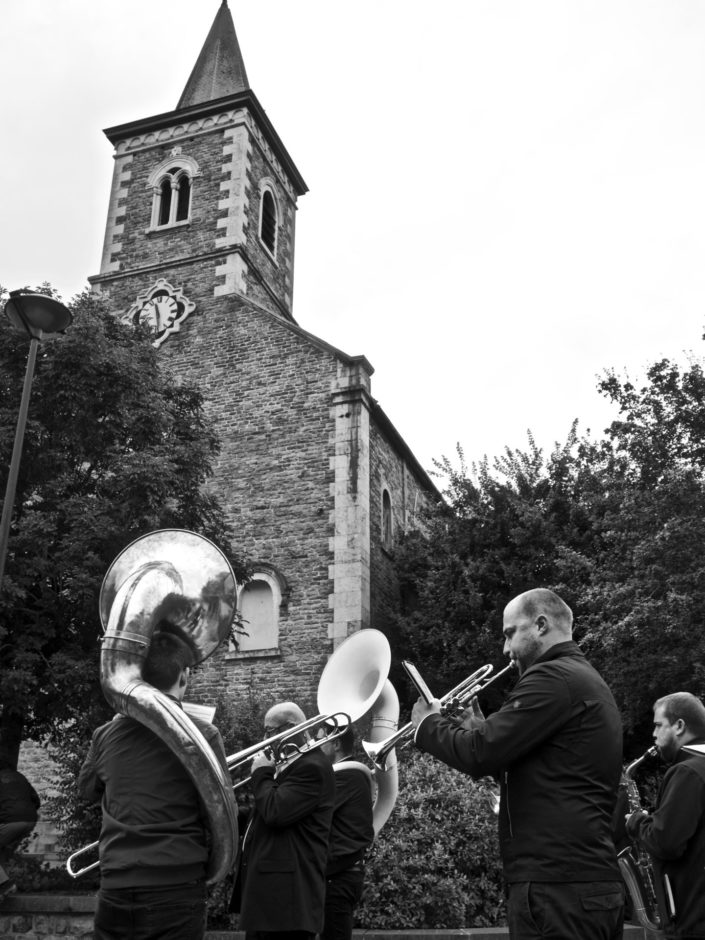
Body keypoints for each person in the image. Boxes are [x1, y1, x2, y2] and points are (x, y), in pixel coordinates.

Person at [410, 587, 625, 940]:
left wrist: (427, 725)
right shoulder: (579, 677)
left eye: (511, 633)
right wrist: (478, 728)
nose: (505, 650)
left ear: (540, 625)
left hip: (558, 889)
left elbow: (478, 754)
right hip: (577, 882)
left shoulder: (553, 677)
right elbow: (544, 770)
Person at [77, 630, 229, 940]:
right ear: (184, 676)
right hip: (175, 886)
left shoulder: (105, 734)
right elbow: (217, 814)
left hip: (116, 886)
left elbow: (87, 790)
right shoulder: (203, 735)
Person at [236, 701, 335, 939]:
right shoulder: (291, 764)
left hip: (288, 904)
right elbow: (265, 813)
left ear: (290, 728)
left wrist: (261, 773)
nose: (264, 738)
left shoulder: (312, 767)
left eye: (269, 731)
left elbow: (275, 811)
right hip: (272, 903)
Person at [625, 691, 705, 939]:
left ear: (679, 726)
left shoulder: (687, 771)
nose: (653, 734)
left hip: (690, 922)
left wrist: (637, 822)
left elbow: (666, 842)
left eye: (659, 725)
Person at [319, 724, 374, 940]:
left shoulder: (347, 775)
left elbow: (314, 813)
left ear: (336, 743)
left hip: (339, 879)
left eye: (320, 739)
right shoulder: (347, 774)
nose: (314, 745)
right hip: (338, 877)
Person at [0, 757, 41, 899]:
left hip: (11, 821)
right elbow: (36, 800)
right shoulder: (20, 777)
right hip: (30, 820)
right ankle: (3, 887)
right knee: (2, 852)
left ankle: (5, 885)